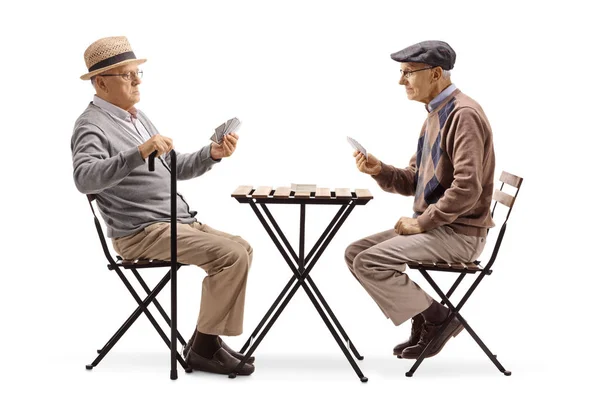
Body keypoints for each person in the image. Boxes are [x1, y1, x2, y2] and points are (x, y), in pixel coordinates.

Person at [71, 36, 254, 375]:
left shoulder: (136, 117)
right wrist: (138, 152)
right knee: (231, 256)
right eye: (127, 75)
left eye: (136, 73)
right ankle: (203, 347)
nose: (138, 80)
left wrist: (212, 153)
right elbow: (84, 178)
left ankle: (205, 341)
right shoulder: (91, 125)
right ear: (100, 83)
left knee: (242, 247)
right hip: (140, 232)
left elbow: (176, 167)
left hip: (176, 222)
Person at [345, 40, 495, 360]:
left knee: (369, 262)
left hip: (459, 234)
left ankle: (439, 319)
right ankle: (425, 317)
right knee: (355, 253)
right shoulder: (435, 114)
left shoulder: (463, 115)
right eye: (402, 73)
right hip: (442, 228)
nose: (401, 81)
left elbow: (468, 188)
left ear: (437, 73)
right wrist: (379, 170)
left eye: (409, 73)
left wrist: (422, 222)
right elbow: (415, 181)